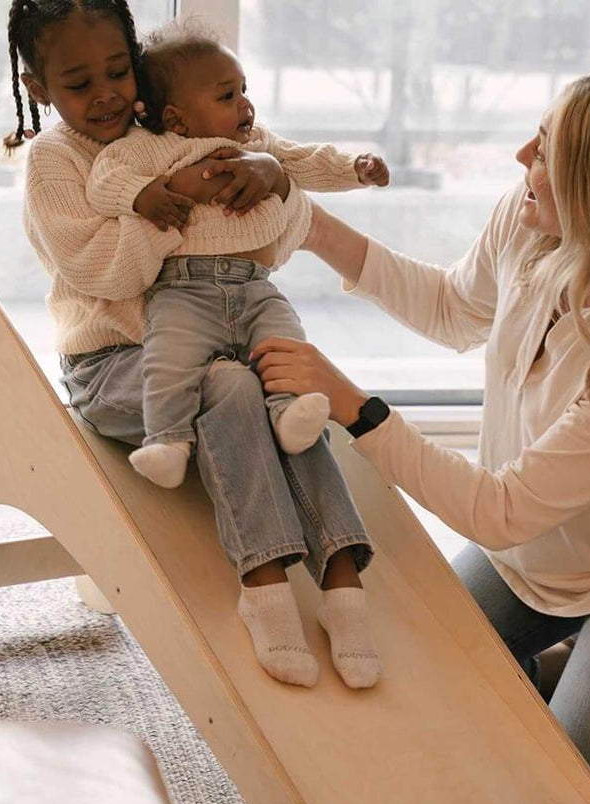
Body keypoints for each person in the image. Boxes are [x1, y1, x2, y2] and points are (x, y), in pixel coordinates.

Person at [250, 70, 590, 804]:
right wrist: (308, 224)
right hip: (531, 559)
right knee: (409, 676)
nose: (520, 159)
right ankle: (567, 666)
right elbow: (452, 309)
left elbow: (500, 511)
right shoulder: (531, 218)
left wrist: (355, 406)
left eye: (544, 150)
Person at [6, 0, 381, 690]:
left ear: (138, 63)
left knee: (283, 379)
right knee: (232, 385)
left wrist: (277, 177)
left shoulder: (177, 113)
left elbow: (271, 245)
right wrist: (172, 202)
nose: (106, 96)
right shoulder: (53, 163)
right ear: (39, 88)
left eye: (119, 72)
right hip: (115, 364)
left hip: (225, 336)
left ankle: (343, 581)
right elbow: (106, 273)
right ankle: (264, 585)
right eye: (79, 84)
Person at [84, 22, 390, 489]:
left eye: (244, 90)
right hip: (186, 287)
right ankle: (167, 441)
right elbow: (105, 177)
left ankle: (290, 412)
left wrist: (354, 169)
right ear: (178, 118)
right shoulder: (154, 148)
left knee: (285, 343)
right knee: (169, 358)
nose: (245, 104)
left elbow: (303, 160)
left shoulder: (258, 143)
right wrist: (145, 195)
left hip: (254, 285)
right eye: (227, 96)